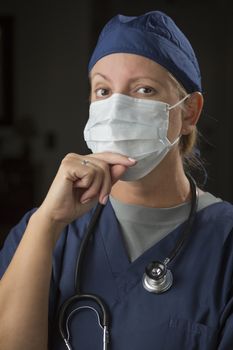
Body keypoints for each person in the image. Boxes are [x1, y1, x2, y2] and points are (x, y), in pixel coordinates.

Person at [0, 10, 233, 350]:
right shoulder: (42, 231)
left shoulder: (225, 242)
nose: (118, 107)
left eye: (144, 89)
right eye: (104, 90)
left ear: (189, 112)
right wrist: (47, 222)